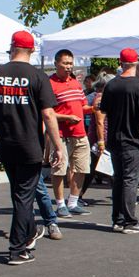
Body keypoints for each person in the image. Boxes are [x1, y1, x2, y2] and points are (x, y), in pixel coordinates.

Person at [0, 31, 65, 266]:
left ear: (12, 47)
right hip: (29, 146)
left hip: (7, 145)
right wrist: (58, 147)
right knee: (24, 198)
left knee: (19, 194)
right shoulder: (37, 77)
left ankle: (28, 233)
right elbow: (48, 114)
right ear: (32, 50)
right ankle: (18, 249)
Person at [99, 48, 139, 232]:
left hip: (115, 138)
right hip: (132, 139)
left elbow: (102, 111)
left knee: (119, 179)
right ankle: (129, 221)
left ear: (120, 63)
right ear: (136, 64)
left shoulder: (111, 85)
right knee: (130, 180)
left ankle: (118, 219)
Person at [48, 49, 92, 217]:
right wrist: (66, 117)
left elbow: (83, 107)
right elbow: (47, 113)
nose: (68, 67)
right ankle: (60, 204)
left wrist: (95, 107)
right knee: (59, 170)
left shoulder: (75, 83)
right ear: (56, 63)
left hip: (80, 133)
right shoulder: (50, 84)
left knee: (81, 168)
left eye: (70, 64)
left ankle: (73, 202)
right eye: (65, 63)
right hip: (60, 134)